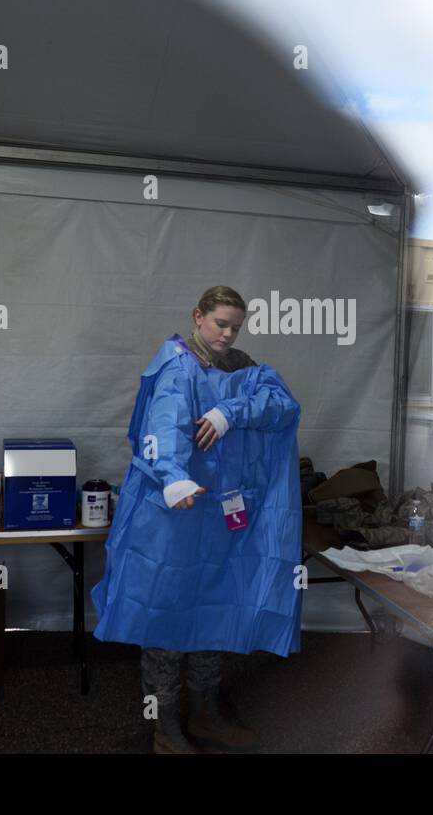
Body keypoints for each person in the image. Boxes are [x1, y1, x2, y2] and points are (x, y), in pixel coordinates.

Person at [90, 285, 304, 753]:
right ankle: (164, 729)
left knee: (213, 607)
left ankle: (205, 714)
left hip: (219, 515)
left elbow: (283, 406)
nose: (227, 334)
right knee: (165, 616)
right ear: (198, 317)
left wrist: (232, 411)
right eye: (219, 324)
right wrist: (171, 476)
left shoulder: (243, 367)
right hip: (173, 513)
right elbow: (162, 425)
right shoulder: (176, 365)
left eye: (235, 326)